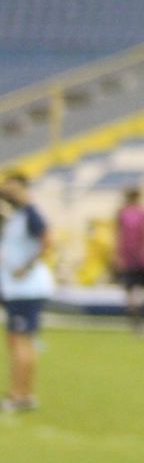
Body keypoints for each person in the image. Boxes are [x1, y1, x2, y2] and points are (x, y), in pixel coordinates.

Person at [1, 172, 53, 413]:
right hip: (15, 289)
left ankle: (20, 395)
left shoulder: (31, 213)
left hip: (26, 289)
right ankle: (22, 392)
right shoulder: (15, 214)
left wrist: (26, 267)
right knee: (18, 342)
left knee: (21, 342)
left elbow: (47, 240)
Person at [114, 187, 144, 334]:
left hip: (128, 258)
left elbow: (118, 236)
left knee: (130, 292)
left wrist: (118, 256)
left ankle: (134, 323)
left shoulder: (122, 213)